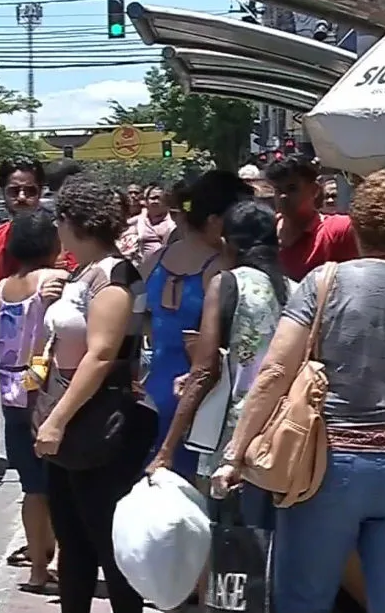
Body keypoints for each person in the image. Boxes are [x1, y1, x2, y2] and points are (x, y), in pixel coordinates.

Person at [212, 170, 385, 613]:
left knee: (303, 598)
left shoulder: (324, 283)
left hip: (326, 466)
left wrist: (237, 452)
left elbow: (276, 370)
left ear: (355, 226)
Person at [33, 174, 156, 613]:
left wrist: (57, 420)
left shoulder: (113, 278)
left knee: (108, 541)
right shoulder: (85, 273)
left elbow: (102, 356)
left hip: (100, 419)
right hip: (79, 418)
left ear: (72, 221)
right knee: (74, 539)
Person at [146, 198, 293, 528]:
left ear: (227, 242)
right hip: (280, 436)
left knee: (224, 541)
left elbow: (204, 370)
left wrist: (167, 449)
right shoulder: (294, 289)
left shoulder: (227, 283)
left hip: (228, 440)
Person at [138, 171, 246, 480]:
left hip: (155, 387)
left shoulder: (154, 260)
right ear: (215, 221)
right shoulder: (225, 269)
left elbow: (139, 322)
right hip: (201, 394)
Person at [0, 208, 68, 593]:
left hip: (12, 393)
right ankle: (60, 563)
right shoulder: (54, 280)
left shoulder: (3, 287)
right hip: (45, 393)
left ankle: (37, 570)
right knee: (57, 484)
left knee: (31, 488)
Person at [0, 158, 78, 320]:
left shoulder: (65, 234)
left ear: (40, 192)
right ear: (3, 192)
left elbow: (86, 283)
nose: (21, 197)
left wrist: (63, 288)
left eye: (30, 191)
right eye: (14, 191)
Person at [266, 155, 358, 280]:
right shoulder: (264, 232)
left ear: (314, 190)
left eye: (292, 188)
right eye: (278, 190)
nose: (283, 196)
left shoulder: (339, 230)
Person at [137, 183, 176, 257]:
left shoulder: (174, 221)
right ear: (146, 201)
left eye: (159, 198)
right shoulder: (140, 220)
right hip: (144, 265)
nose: (156, 201)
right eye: (153, 198)